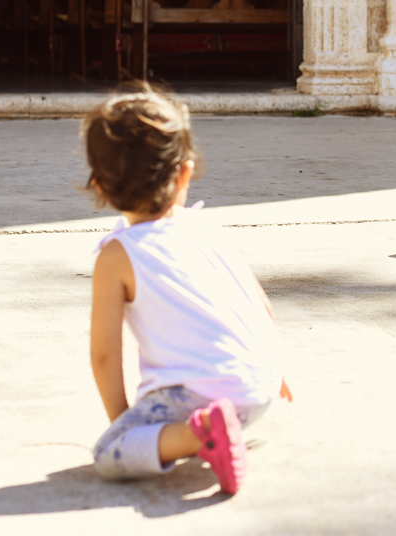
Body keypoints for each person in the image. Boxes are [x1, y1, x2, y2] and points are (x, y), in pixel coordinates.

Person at [83, 87, 291, 493]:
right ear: (184, 174)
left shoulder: (117, 255)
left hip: (204, 395)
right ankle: (217, 430)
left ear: (99, 186)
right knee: (203, 406)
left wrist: (126, 424)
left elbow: (105, 354)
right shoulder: (205, 227)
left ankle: (202, 435)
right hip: (259, 388)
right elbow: (259, 302)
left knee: (110, 452)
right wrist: (273, 367)